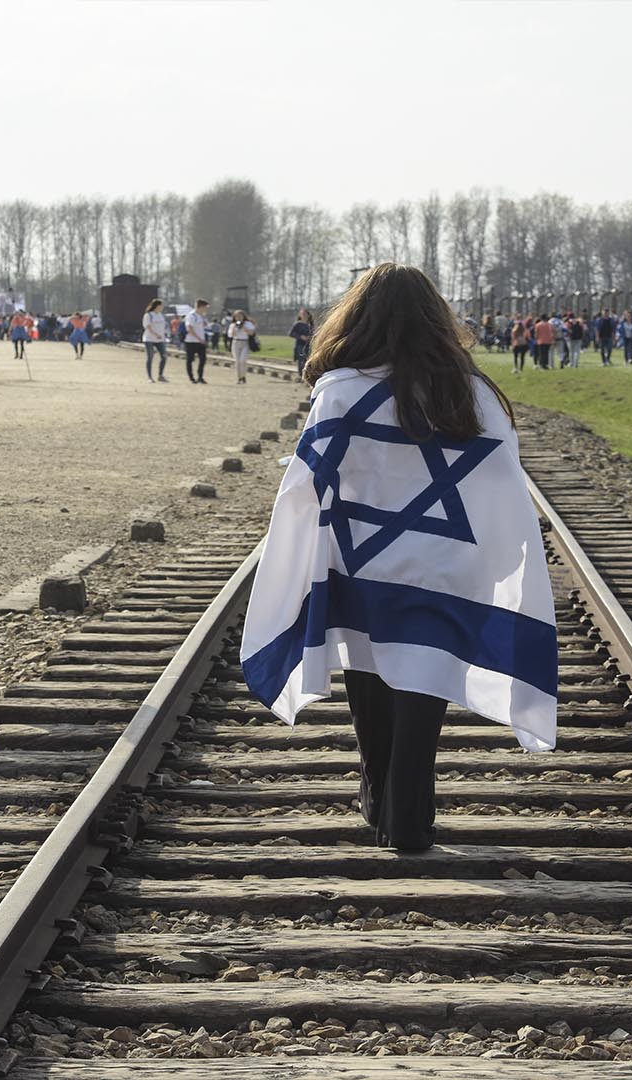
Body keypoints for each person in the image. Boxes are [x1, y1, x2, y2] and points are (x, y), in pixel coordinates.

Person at [239, 263, 557, 852]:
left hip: (365, 561)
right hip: (444, 563)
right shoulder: (475, 394)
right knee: (423, 682)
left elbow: (306, 487)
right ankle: (407, 813)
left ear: (359, 319)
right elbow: (503, 488)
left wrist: (300, 558)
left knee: (368, 671)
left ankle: (375, 790)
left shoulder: (339, 392)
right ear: (436, 320)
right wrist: (492, 557)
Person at [182, 299, 210, 384]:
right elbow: (190, 328)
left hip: (201, 341)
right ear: (201, 307)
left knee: (203, 359)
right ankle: (191, 378)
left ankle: (200, 377)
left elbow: (205, 327)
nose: (206, 309)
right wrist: (199, 338)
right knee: (190, 360)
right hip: (191, 341)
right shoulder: (191, 315)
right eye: (205, 307)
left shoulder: (201, 316)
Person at [229, 309, 257, 384]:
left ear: (243, 316)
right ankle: (239, 378)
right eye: (236, 316)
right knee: (237, 361)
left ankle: (244, 376)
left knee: (243, 361)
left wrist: (244, 327)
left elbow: (251, 333)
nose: (238, 318)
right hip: (236, 342)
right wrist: (235, 328)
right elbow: (231, 335)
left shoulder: (248, 323)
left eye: (240, 316)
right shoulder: (232, 325)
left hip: (245, 342)